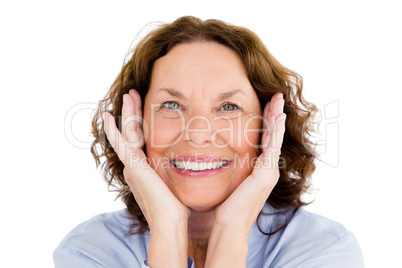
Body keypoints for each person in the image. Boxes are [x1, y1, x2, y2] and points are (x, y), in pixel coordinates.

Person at [54, 16, 364, 267]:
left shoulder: (324, 253)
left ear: (267, 128)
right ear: (137, 125)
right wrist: (167, 230)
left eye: (229, 107)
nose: (198, 135)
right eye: (171, 105)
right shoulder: (89, 253)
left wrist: (230, 231)